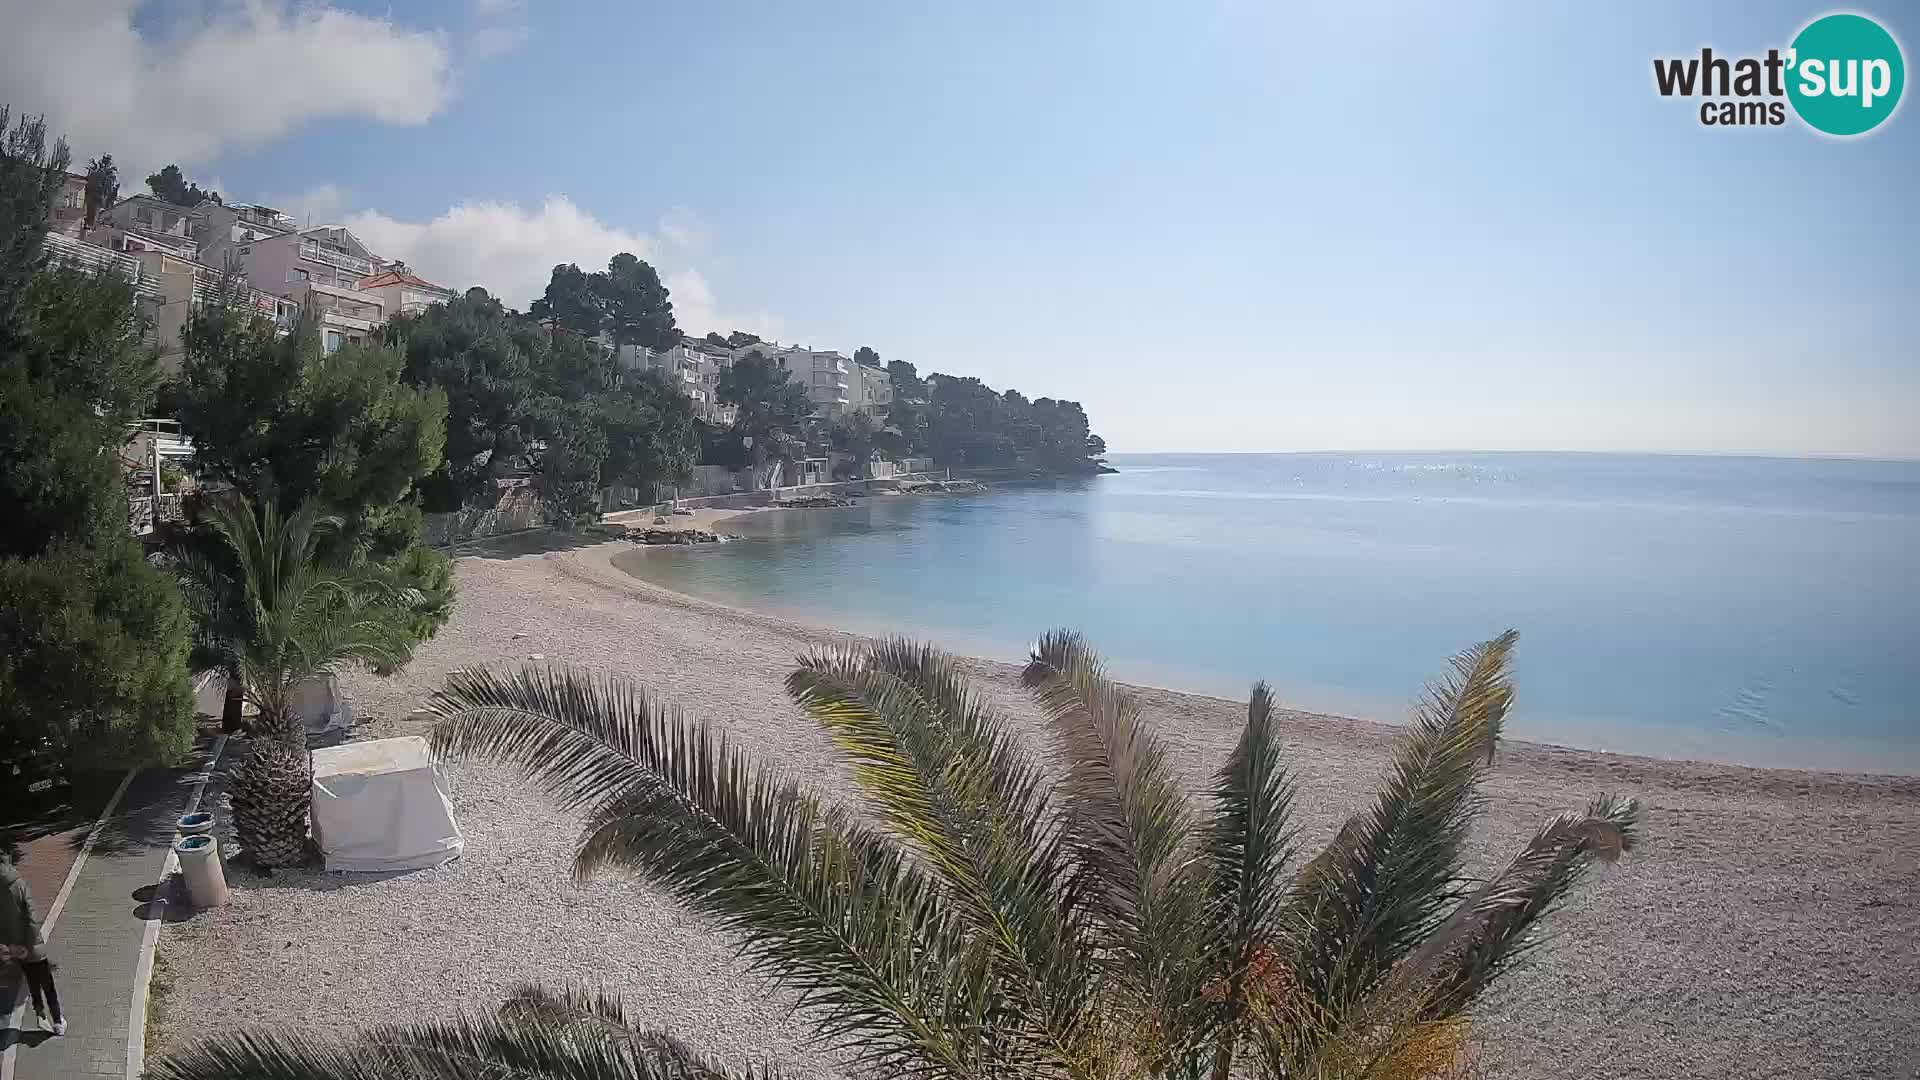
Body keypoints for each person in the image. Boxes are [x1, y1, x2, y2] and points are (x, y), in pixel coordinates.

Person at [1, 849, 65, 1036]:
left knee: (32, 981)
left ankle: (40, 1013)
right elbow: (31, 917)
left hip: (16, 946)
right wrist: (32, 943)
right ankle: (58, 1021)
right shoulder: (19, 884)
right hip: (32, 945)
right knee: (48, 984)